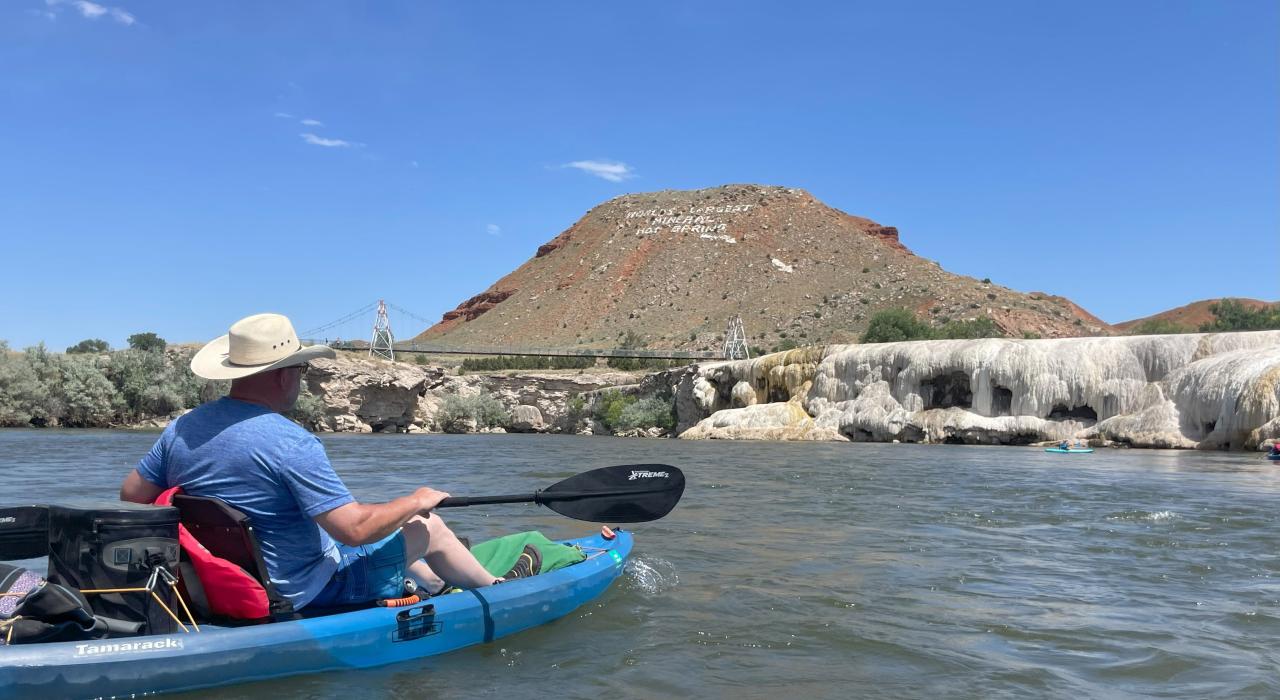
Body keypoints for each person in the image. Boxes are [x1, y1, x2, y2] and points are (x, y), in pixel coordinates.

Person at [120, 313, 503, 610]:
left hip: (225, 583)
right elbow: (352, 530)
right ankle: (501, 595)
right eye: (301, 369)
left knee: (391, 533)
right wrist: (417, 500)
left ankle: (435, 586)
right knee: (429, 526)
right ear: (284, 375)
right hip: (302, 590)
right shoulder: (290, 442)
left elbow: (133, 495)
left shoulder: (182, 428)